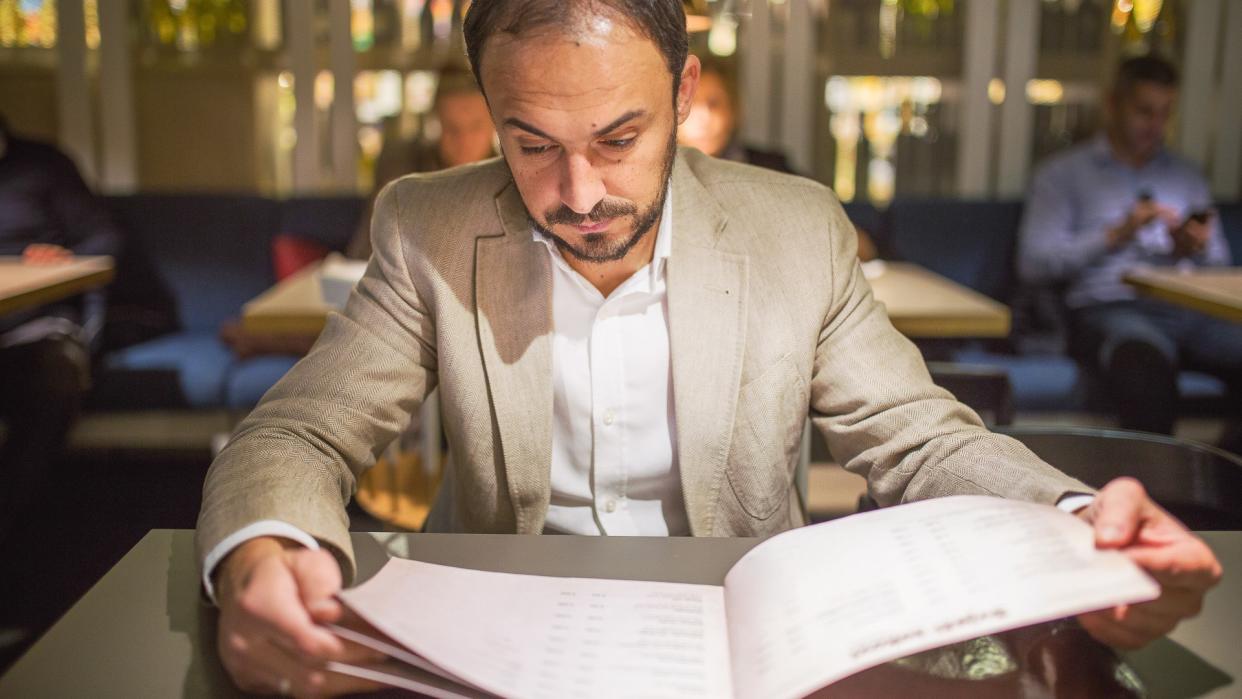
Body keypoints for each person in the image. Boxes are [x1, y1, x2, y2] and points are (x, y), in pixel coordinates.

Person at [198, 4, 1220, 695]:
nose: (582, 193)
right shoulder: (426, 223)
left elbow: (915, 435)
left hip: (747, 652)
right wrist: (262, 550)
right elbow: (295, 430)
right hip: (493, 650)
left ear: (684, 93)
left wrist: (1078, 526)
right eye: (532, 144)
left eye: (617, 137)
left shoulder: (795, 227)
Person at [1018, 55, 1240, 440]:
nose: (1155, 126)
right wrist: (1116, 234)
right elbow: (1033, 263)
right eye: (1144, 112)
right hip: (1109, 306)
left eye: (1164, 114)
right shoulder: (1064, 175)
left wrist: (1193, 249)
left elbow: (1222, 265)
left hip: (1190, 309)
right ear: (1113, 105)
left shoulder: (1187, 176)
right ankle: (1153, 496)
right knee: (1144, 367)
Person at [0, 116, 120, 544]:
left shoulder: (43, 166)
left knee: (56, 374)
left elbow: (105, 240)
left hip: (37, 326)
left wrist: (64, 258)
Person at [677, 58, 878, 260]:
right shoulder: (659, 177)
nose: (703, 116)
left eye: (714, 103)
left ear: (734, 110)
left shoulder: (771, 168)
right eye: (692, 103)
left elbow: (842, 235)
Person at [346, 66, 498, 260]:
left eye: (475, 127)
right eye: (452, 128)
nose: (464, 140)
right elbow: (368, 251)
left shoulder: (510, 179)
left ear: (494, 124)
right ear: (436, 126)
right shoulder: (402, 170)